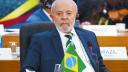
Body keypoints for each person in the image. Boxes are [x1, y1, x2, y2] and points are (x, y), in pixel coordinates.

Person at [22, 0, 109, 72]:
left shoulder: (89, 36)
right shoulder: (40, 40)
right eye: (59, 13)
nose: (64, 17)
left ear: (76, 15)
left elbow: (100, 67)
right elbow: (28, 69)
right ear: (52, 17)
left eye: (69, 13)